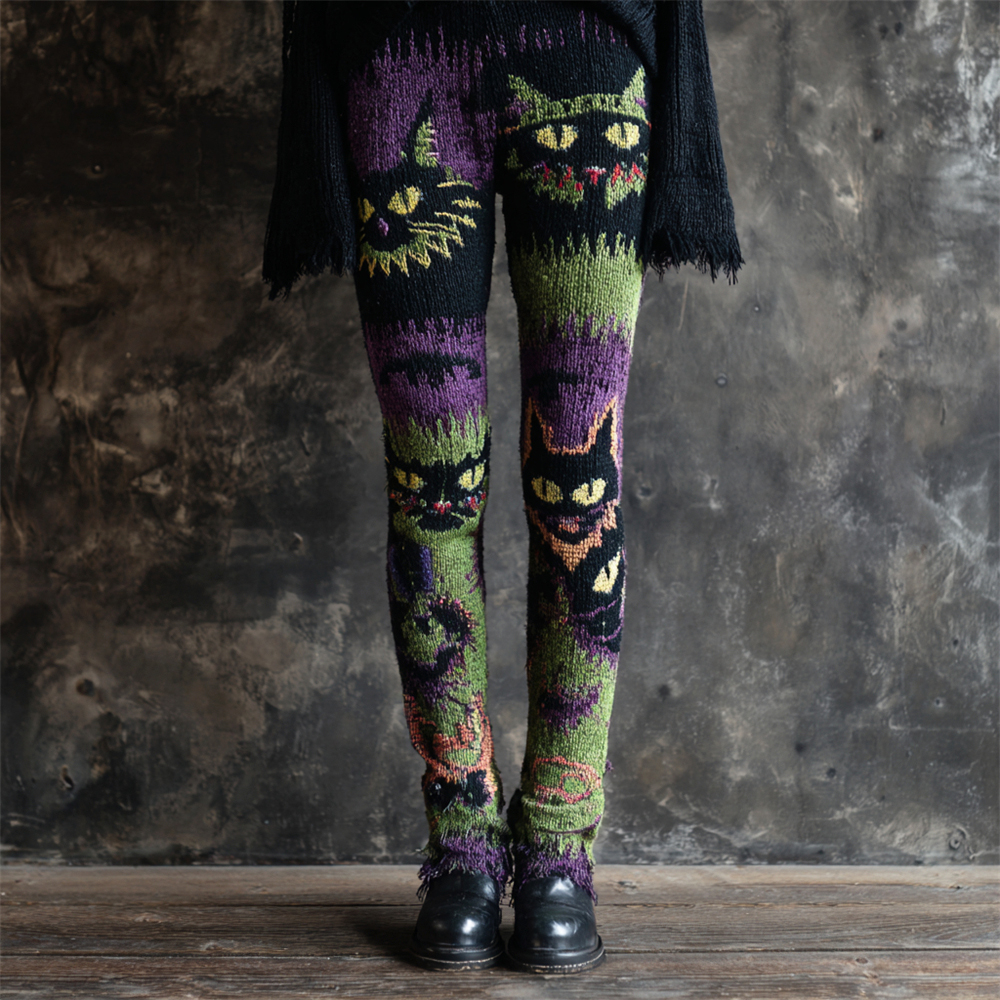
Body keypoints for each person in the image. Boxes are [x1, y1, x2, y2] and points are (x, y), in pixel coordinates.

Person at [264, 0, 741, 975]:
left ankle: (559, 844)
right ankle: (463, 841)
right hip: (397, 52)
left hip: (590, 52)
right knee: (430, 478)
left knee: (579, 475)